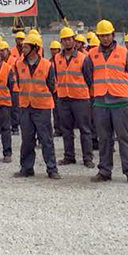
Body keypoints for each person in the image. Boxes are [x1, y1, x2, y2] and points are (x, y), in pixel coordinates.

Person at [90, 20, 128, 185]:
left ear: (113, 35)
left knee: (125, 137)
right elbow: (88, 75)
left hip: (120, 101)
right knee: (104, 139)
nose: (105, 38)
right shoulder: (92, 54)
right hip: (101, 102)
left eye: (107, 35)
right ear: (98, 37)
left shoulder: (124, 52)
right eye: (102, 36)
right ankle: (104, 171)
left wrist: (123, 91)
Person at [15, 32, 59, 179]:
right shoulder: (18, 64)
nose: (23, 49)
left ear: (35, 48)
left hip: (42, 107)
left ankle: (52, 169)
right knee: (27, 139)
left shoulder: (47, 65)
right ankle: (26, 168)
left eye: (26, 47)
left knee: (46, 139)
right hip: (25, 106)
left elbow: (52, 86)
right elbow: (19, 83)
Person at [55, 27, 94, 168]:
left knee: (85, 129)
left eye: (69, 39)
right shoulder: (57, 58)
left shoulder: (83, 58)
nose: (67, 42)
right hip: (63, 98)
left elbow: (89, 79)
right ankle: (69, 156)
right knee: (66, 129)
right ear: (61, 42)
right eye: (64, 40)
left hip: (80, 99)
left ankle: (87, 158)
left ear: (74, 40)